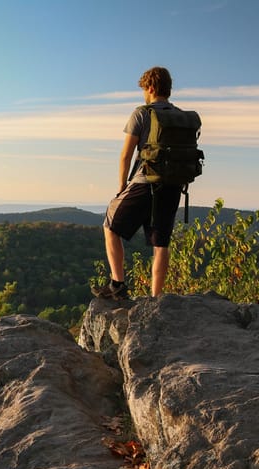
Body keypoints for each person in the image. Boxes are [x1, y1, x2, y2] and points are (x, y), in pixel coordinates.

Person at [94, 66, 184, 300]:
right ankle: (156, 298)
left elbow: (125, 155)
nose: (143, 94)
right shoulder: (180, 117)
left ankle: (118, 285)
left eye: (144, 89)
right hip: (173, 186)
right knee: (161, 243)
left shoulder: (142, 113)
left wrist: (122, 186)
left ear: (151, 88)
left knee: (110, 225)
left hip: (144, 182)